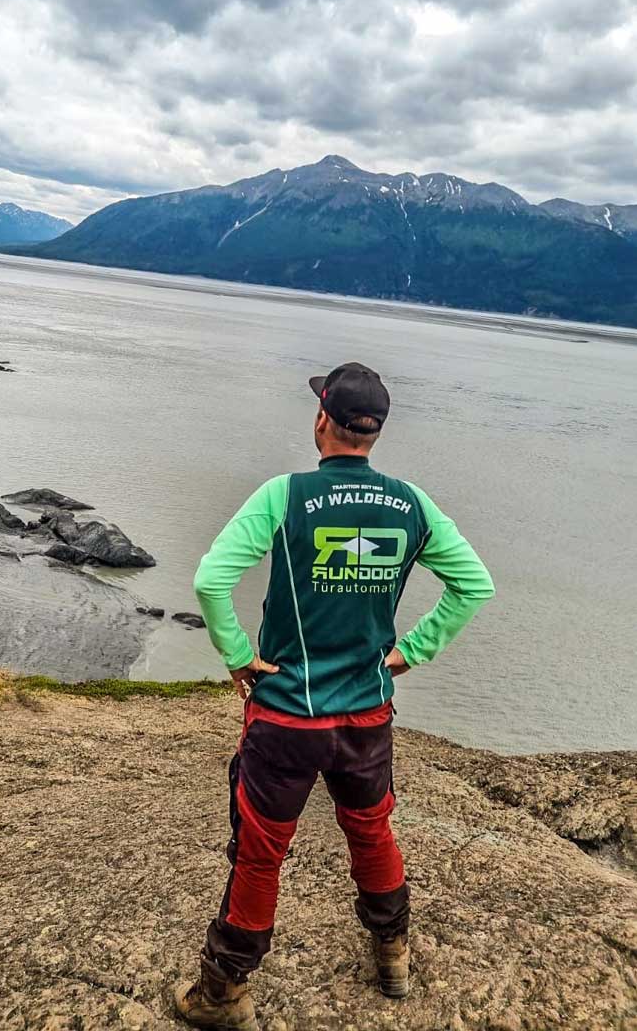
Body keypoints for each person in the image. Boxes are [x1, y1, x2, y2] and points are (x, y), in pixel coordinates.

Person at [174, 362, 495, 1030]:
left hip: (288, 712)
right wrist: (412, 650)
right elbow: (474, 585)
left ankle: (222, 992)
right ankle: (392, 955)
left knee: (262, 851)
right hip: (367, 713)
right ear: (373, 432)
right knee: (371, 830)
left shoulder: (283, 495)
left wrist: (237, 653)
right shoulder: (411, 503)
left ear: (323, 419)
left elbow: (211, 579)